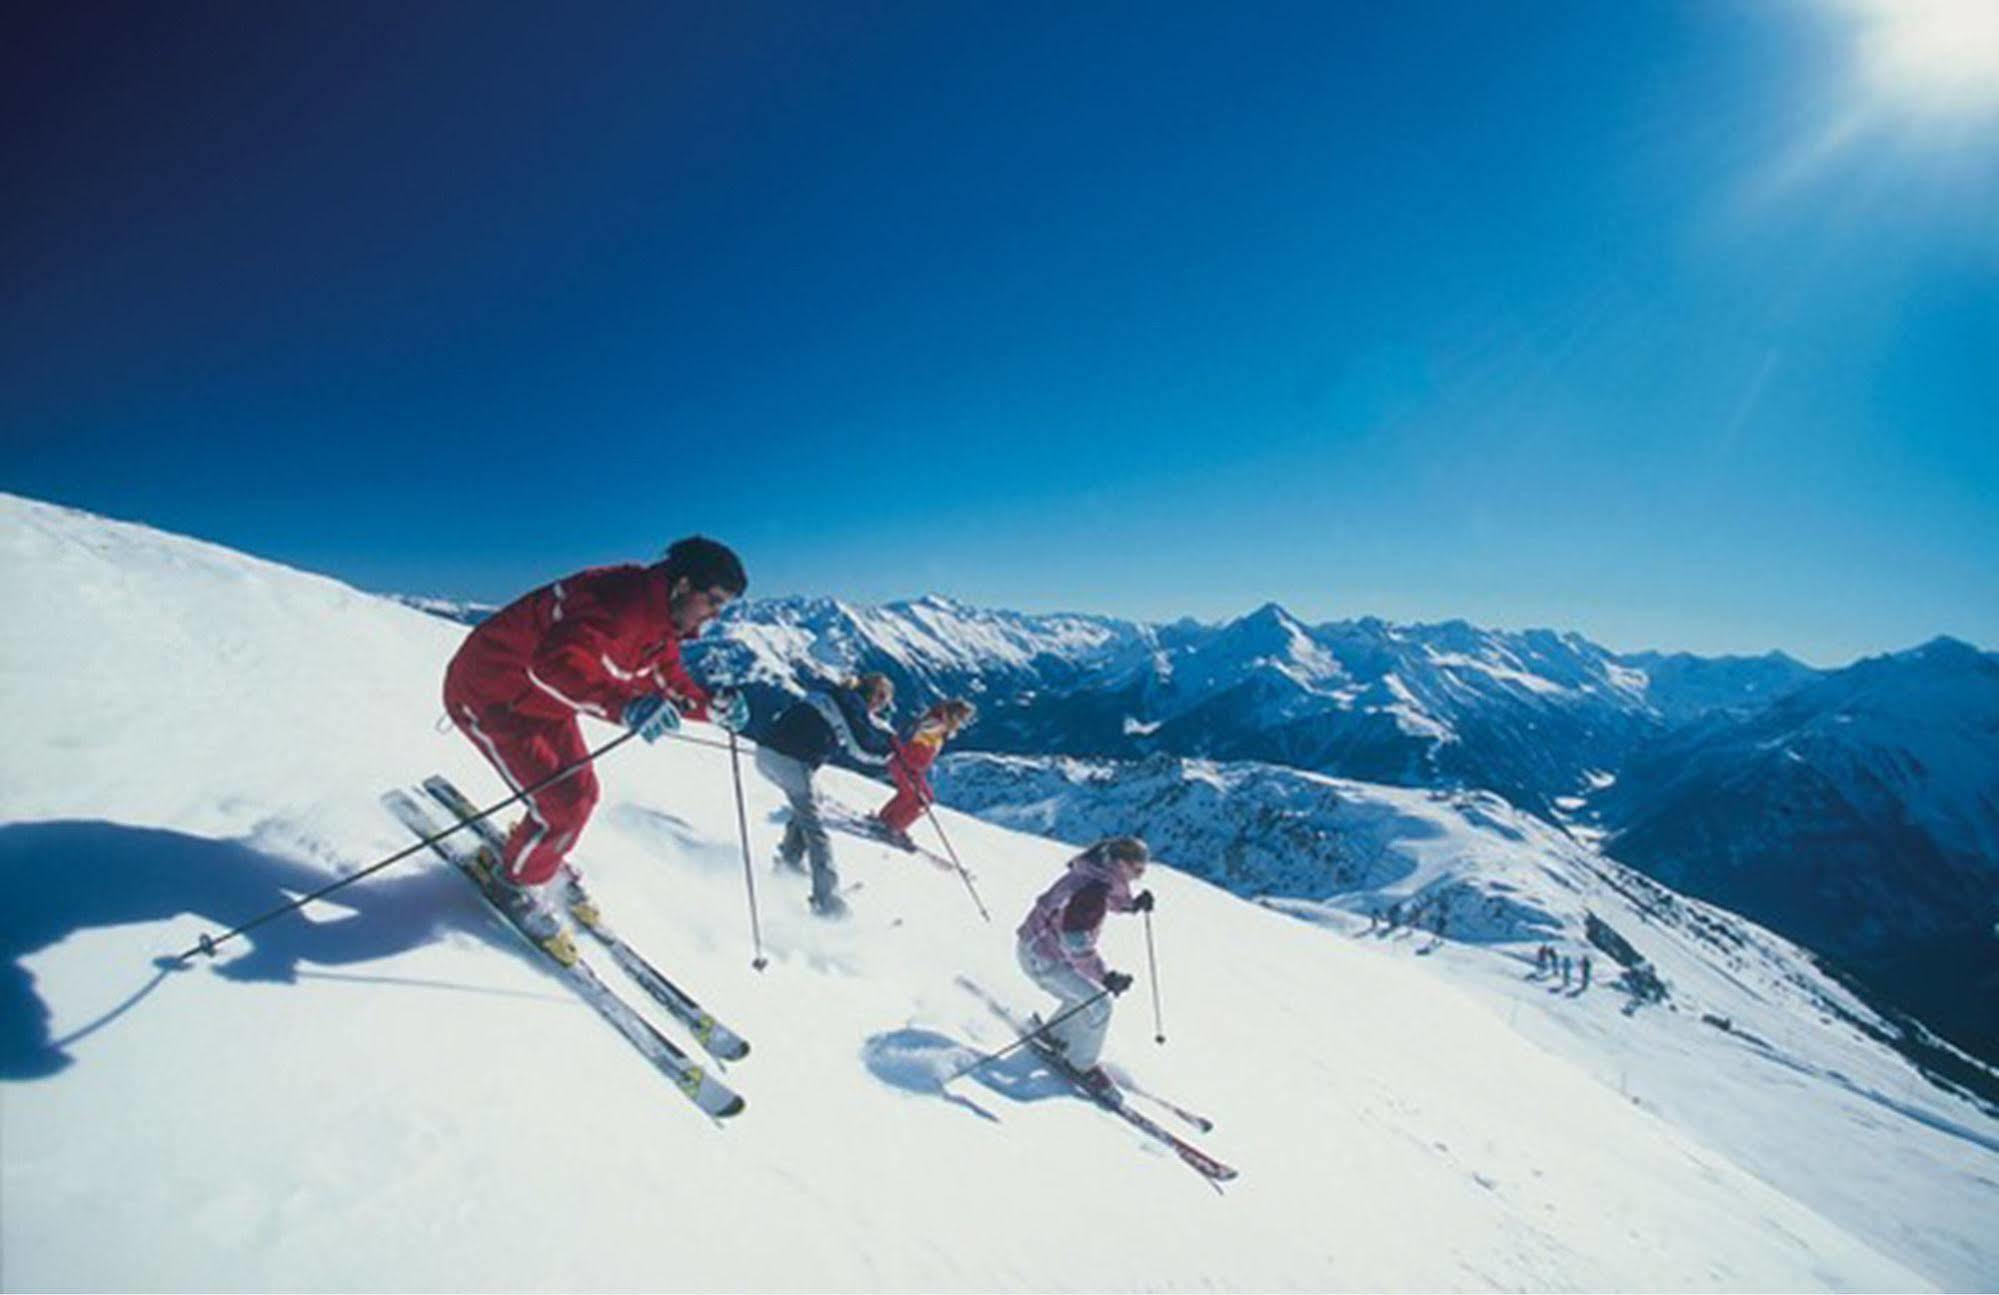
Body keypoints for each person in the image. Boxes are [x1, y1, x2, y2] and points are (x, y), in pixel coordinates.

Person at [441, 536, 750, 962]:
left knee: (579, 796)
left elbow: (663, 678)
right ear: (682, 585)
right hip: (493, 695)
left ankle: (537, 854)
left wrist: (709, 708)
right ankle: (515, 882)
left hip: (545, 704)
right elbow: (550, 665)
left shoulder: (663, 621)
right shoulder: (618, 601)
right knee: (565, 803)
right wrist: (624, 706)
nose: (715, 616)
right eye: (713, 601)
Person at [1015, 836, 1155, 1094]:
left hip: (1036, 948)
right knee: (1099, 1004)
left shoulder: (1095, 873)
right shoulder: (1092, 890)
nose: (1140, 875)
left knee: (1082, 995)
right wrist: (1106, 977)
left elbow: (1106, 896)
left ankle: (1055, 1035)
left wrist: (1131, 905)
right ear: (1121, 864)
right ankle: (1081, 1066)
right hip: (1043, 958)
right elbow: (1077, 945)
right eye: (1138, 869)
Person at [756, 672, 897, 917]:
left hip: (767, 752)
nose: (880, 706)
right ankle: (826, 900)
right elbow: (861, 746)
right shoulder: (851, 704)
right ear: (874, 694)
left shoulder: (835, 695)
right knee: (815, 826)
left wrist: (887, 740)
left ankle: (790, 861)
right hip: (791, 760)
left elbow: (864, 727)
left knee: (810, 806)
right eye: (882, 700)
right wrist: (892, 754)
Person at [873, 698, 977, 850]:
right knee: (919, 800)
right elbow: (908, 739)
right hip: (905, 765)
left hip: (909, 766)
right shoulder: (935, 725)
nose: (962, 724)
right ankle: (893, 827)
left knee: (915, 796)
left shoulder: (937, 724)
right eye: (962, 719)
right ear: (954, 715)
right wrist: (908, 761)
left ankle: (886, 821)